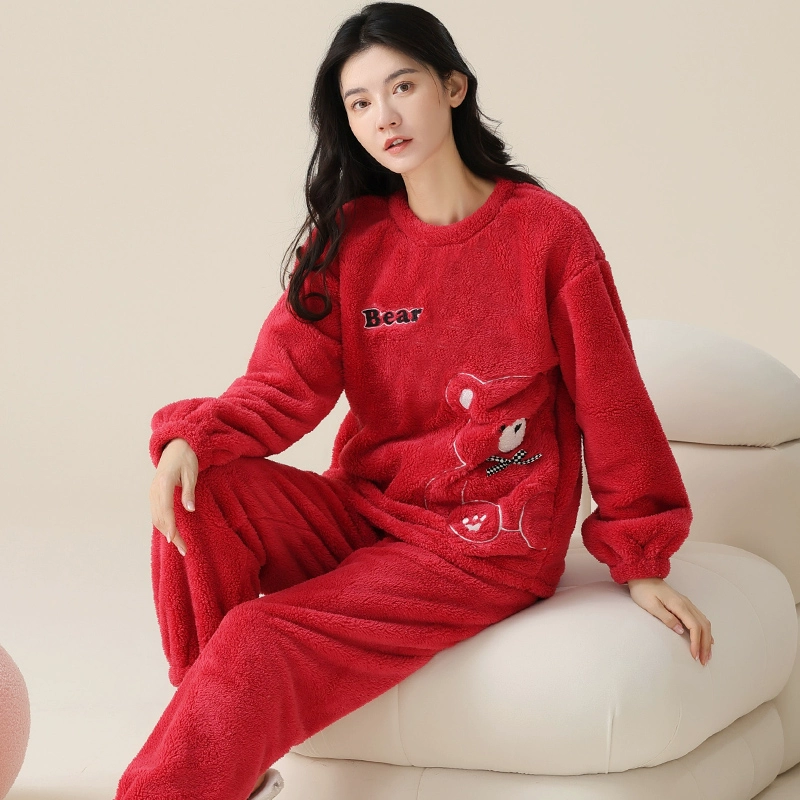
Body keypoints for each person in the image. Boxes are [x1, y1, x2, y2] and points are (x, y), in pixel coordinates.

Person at [113, 3, 714, 799]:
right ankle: (221, 750)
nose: (383, 117)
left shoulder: (547, 235)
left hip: (481, 542)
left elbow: (612, 399)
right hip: (366, 509)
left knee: (258, 636)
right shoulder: (351, 237)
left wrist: (640, 557)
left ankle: (187, 773)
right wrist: (193, 436)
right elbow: (282, 384)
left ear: (453, 87)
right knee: (202, 493)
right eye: (360, 102)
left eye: (402, 88)